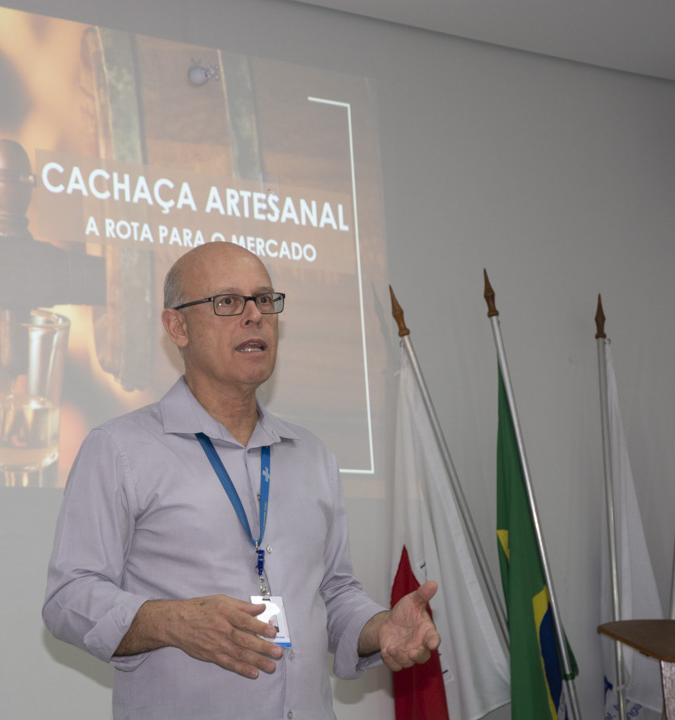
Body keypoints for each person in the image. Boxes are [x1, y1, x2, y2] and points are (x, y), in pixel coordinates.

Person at [43, 242, 440, 719]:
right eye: (228, 302)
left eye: (265, 300)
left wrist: (380, 628)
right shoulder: (120, 448)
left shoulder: (312, 456)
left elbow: (332, 594)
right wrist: (174, 621)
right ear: (178, 327)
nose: (254, 315)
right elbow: (68, 600)